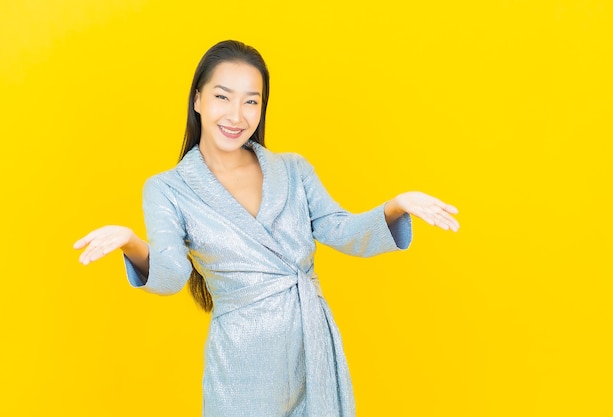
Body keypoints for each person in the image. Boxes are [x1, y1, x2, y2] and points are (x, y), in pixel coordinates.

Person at [73, 40, 459, 417]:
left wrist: (396, 206)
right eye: (222, 97)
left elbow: (343, 231)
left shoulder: (292, 170)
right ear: (198, 100)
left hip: (313, 345)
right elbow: (173, 274)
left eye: (251, 101)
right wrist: (130, 241)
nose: (236, 115)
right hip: (243, 362)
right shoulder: (169, 188)